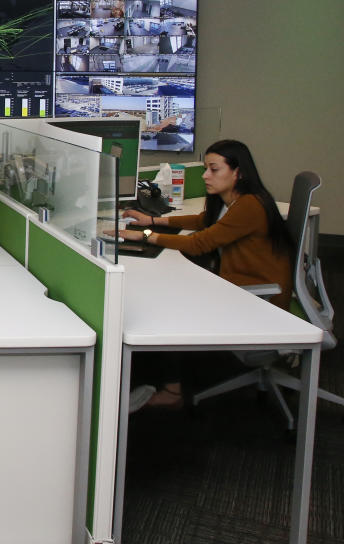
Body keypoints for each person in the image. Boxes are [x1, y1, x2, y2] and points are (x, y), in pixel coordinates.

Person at [121, 139, 293, 409]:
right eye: (205, 169)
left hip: (259, 300)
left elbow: (199, 243)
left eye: (214, 169)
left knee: (170, 304)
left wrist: (144, 235)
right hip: (239, 285)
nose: (205, 176)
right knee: (174, 287)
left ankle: (173, 391)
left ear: (238, 172)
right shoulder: (233, 202)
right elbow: (203, 222)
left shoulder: (250, 206)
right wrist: (153, 221)